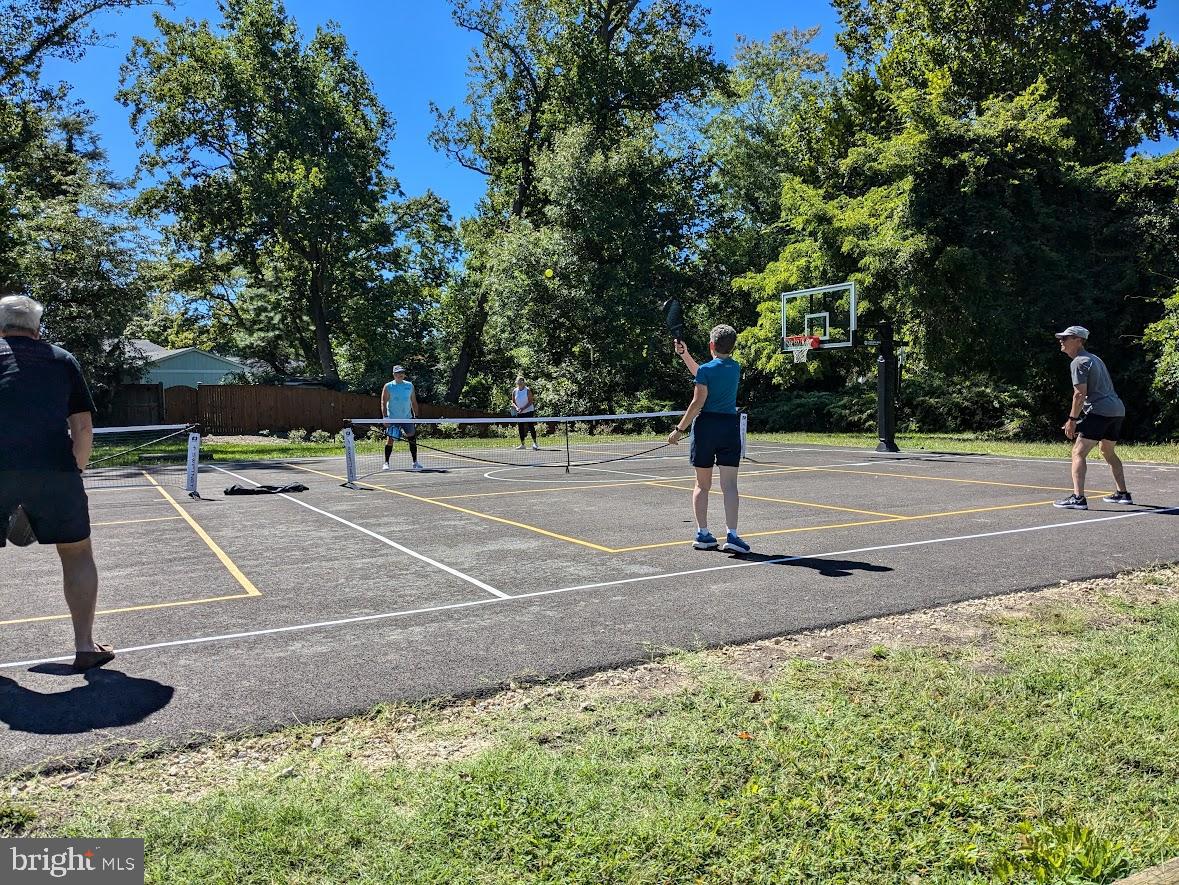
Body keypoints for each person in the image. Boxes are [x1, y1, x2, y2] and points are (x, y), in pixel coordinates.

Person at [0, 295, 114, 670]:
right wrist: (76, 471)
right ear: (37, 328)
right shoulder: (62, 359)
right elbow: (82, 428)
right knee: (77, 552)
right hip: (54, 470)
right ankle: (84, 647)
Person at [667, 324, 750, 553]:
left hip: (706, 428)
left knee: (702, 485)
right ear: (732, 347)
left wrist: (679, 430)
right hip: (728, 426)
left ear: (711, 345)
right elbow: (704, 371)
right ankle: (732, 535)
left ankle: (703, 534)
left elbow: (698, 401)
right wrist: (685, 355)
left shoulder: (706, 370)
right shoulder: (735, 367)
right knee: (730, 486)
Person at [1053, 325, 1130, 510]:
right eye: (1061, 338)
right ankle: (1123, 494)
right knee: (1107, 451)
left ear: (1079, 340)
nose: (1061, 341)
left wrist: (1072, 420)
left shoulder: (1079, 361)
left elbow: (1079, 394)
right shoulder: (1094, 358)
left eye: (1066, 338)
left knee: (1078, 452)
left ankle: (1078, 498)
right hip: (1117, 410)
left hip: (1100, 411)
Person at [379, 365, 423, 472]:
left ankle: (415, 462)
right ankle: (386, 463)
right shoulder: (388, 386)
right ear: (394, 374)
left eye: (402, 373)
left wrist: (416, 416)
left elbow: (413, 402)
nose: (400, 375)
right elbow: (383, 402)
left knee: (412, 439)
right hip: (392, 419)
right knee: (390, 440)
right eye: (398, 373)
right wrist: (385, 417)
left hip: (407, 418)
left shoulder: (409, 386)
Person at [511, 376, 539, 451]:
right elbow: (513, 401)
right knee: (520, 427)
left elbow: (530, 402)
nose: (519, 382)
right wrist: (517, 408)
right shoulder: (514, 391)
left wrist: (523, 408)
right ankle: (523, 444)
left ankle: (535, 444)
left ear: (523, 382)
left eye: (521, 381)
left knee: (531, 426)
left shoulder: (528, 390)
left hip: (529, 411)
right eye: (518, 381)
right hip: (519, 412)